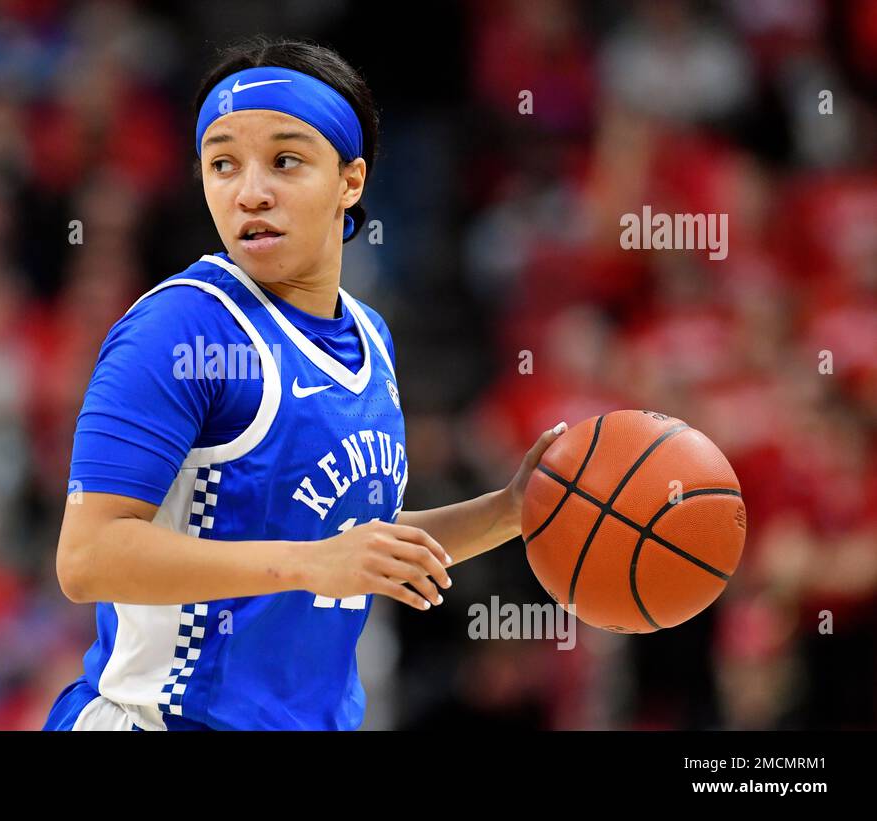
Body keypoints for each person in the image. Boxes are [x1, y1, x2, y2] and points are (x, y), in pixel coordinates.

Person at [44, 36, 565, 730]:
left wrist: (506, 512)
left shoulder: (370, 336)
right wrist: (311, 563)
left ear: (350, 181)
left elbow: (346, 541)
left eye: (285, 161)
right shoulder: (180, 328)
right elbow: (87, 556)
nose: (251, 191)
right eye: (223, 163)